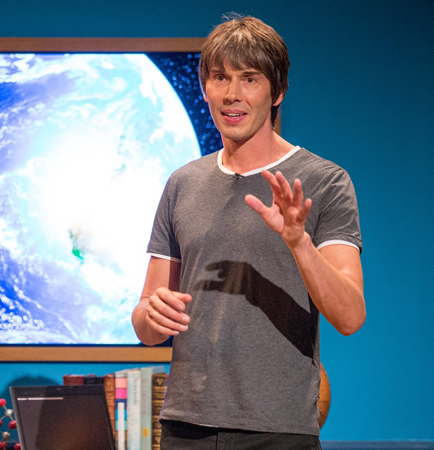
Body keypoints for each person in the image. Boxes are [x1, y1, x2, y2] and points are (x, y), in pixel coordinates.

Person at [131, 15, 365, 449]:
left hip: (278, 429)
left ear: (277, 92)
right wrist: (152, 313)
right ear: (205, 88)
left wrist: (298, 243)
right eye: (220, 78)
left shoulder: (324, 181)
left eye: (249, 79)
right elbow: (146, 325)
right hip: (185, 426)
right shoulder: (182, 183)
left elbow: (351, 316)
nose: (232, 94)